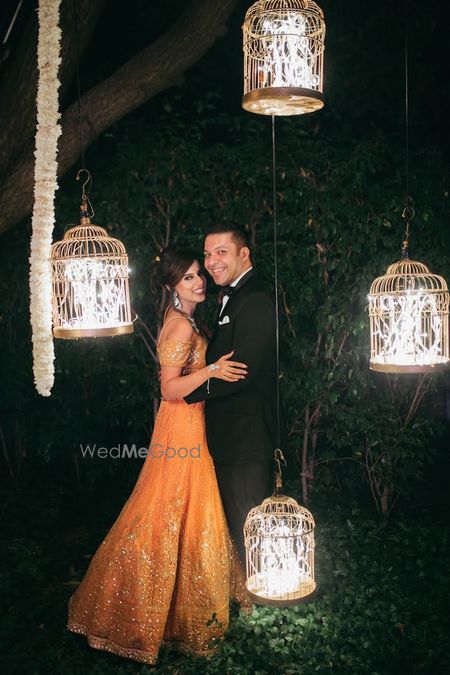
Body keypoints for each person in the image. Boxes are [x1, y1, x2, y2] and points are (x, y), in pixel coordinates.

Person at [67, 248, 248, 665]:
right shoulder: (181, 327)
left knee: (181, 512)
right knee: (163, 512)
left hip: (186, 423)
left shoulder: (184, 321)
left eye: (199, 274)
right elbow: (169, 389)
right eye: (188, 278)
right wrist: (211, 371)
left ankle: (176, 612)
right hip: (181, 425)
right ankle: (130, 610)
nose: (199, 281)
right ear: (171, 286)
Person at [185, 224, 277, 563]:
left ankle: (261, 594)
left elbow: (243, 372)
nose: (211, 261)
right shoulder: (234, 295)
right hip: (232, 435)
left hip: (246, 436)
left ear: (243, 254)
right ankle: (251, 589)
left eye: (221, 252)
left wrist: (189, 391)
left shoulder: (255, 298)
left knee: (248, 519)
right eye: (208, 254)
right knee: (240, 520)